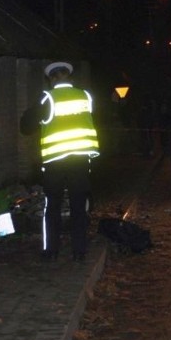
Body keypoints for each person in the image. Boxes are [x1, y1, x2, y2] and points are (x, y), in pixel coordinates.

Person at [20, 61, 100, 261]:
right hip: (80, 159)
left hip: (55, 160)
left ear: (51, 79)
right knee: (79, 206)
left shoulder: (48, 98)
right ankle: (79, 251)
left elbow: (26, 126)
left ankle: (51, 251)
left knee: (53, 206)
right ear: (69, 77)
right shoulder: (85, 96)